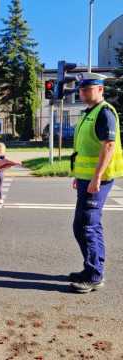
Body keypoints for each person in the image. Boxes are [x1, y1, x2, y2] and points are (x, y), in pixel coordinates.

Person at [70, 72, 123, 293]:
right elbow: (85, 148)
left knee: (86, 226)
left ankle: (94, 275)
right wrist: (79, 176)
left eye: (87, 89)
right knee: (85, 225)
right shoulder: (89, 113)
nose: (82, 92)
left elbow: (108, 146)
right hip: (86, 178)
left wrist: (97, 177)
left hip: (97, 180)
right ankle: (91, 268)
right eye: (81, 89)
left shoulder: (104, 113)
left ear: (100, 89)